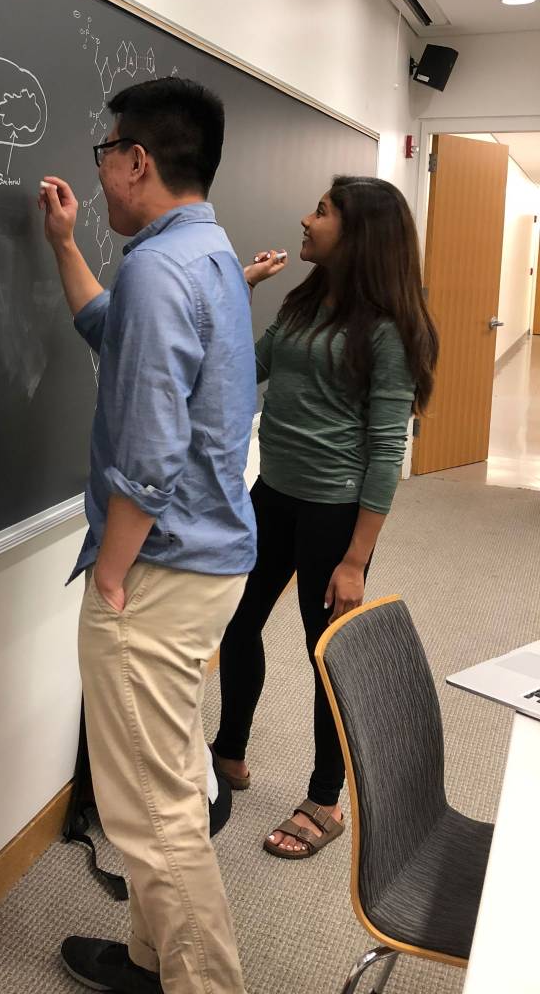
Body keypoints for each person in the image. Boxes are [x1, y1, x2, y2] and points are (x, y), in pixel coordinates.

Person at [39, 77, 256, 994]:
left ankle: (204, 985)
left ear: (137, 159)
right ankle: (149, 959)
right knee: (156, 775)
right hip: (207, 559)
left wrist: (113, 580)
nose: (100, 180)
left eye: (105, 156)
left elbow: (150, 457)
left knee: (158, 810)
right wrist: (62, 249)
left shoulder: (161, 269)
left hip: (158, 570)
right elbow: (112, 330)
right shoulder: (203, 251)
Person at [211, 176, 438, 859]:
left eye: (322, 212)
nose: (305, 220)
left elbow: (385, 447)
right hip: (274, 493)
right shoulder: (306, 300)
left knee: (326, 654)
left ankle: (325, 797)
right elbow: (245, 367)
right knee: (239, 621)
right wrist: (238, 289)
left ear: (360, 232)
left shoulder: (391, 330)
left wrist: (355, 559)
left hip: (335, 511)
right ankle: (229, 754)